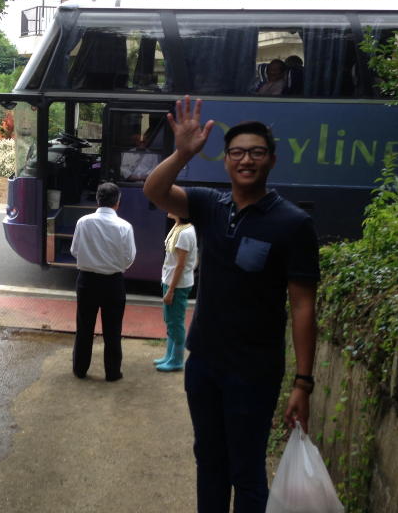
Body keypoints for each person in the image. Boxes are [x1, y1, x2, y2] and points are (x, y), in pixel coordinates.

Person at [143, 96, 319, 513]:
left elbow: (303, 307)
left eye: (256, 152)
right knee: (209, 461)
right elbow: (155, 191)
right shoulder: (209, 205)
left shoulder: (294, 223)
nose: (246, 160)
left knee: (247, 470)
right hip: (204, 363)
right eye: (237, 152)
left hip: (254, 370)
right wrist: (183, 153)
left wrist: (303, 383)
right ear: (225, 161)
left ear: (272, 160)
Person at [70, 182, 137, 381]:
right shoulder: (125, 226)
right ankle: (112, 373)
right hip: (113, 283)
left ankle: (80, 370)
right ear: (118, 202)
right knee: (113, 330)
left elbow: (74, 250)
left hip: (87, 281)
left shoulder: (83, 222)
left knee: (84, 328)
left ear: (97, 200)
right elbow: (129, 258)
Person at [153, 212, 197, 372]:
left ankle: (176, 360)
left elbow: (181, 265)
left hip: (177, 285)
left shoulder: (185, 233)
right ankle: (169, 356)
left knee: (176, 322)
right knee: (171, 320)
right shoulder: (180, 227)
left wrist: (171, 290)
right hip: (171, 281)